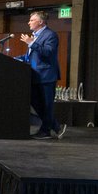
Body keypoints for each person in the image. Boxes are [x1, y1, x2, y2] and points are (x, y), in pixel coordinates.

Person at [21, 10, 65, 139]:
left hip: (46, 76)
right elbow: (31, 56)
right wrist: (16, 59)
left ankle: (46, 131)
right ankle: (56, 126)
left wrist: (32, 43)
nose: (29, 22)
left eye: (32, 20)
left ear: (40, 22)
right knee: (35, 103)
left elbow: (48, 52)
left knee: (46, 105)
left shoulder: (50, 35)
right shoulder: (34, 36)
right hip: (34, 76)